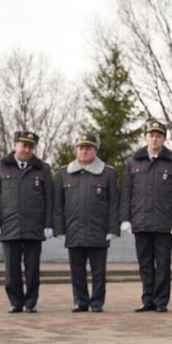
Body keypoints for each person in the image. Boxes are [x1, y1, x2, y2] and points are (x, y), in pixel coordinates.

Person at [119, 121, 172, 313]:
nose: (154, 138)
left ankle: (161, 301)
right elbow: (127, 192)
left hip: (164, 223)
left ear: (164, 139)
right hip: (141, 221)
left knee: (163, 264)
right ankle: (147, 298)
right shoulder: (133, 162)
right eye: (151, 135)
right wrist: (124, 218)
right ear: (145, 137)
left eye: (158, 135)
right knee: (145, 264)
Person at [0, 131, 54, 313]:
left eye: (31, 146)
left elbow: (49, 199)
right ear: (15, 145)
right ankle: (15, 301)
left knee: (32, 269)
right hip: (9, 226)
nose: (27, 149)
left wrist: (48, 224)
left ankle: (31, 302)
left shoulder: (43, 169)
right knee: (12, 269)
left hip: (34, 226)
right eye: (24, 145)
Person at [55, 133, 120, 313]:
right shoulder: (64, 173)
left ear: (95, 150)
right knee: (77, 270)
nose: (84, 151)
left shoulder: (108, 173)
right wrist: (59, 228)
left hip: (98, 230)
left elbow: (114, 203)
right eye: (81, 148)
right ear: (76, 150)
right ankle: (80, 301)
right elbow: (58, 204)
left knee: (98, 271)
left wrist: (113, 228)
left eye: (88, 148)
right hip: (74, 230)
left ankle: (97, 302)